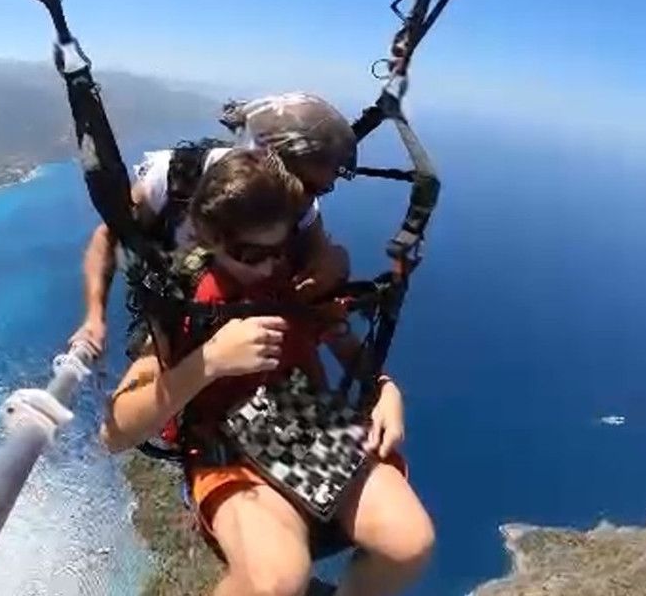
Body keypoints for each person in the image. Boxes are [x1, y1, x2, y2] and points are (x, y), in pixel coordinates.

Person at [100, 149, 433, 596]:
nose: (267, 266)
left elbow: (354, 356)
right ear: (208, 238)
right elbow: (115, 431)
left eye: (277, 251)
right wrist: (211, 361)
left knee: (409, 544)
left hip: (299, 423)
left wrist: (386, 392)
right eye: (249, 253)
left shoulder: (295, 285)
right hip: (224, 445)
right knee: (276, 581)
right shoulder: (184, 305)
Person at [71, 93, 359, 359]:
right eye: (307, 185)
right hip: (173, 316)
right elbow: (109, 236)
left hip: (233, 322)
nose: (307, 199)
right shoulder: (173, 178)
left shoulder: (299, 208)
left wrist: (334, 263)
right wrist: (94, 317)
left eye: (320, 191)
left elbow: (323, 267)